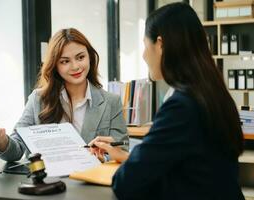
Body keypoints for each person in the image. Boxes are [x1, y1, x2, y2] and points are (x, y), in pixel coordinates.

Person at [89, 3, 245, 200]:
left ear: (160, 44)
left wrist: (136, 160)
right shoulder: (212, 93)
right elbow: (188, 162)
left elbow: (126, 182)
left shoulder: (181, 105)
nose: (144, 55)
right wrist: (130, 155)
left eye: (145, 45)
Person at [0, 28, 128, 162]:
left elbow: (123, 151)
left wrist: (104, 158)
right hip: (48, 186)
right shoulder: (38, 99)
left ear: (90, 57)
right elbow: (17, 150)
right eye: (65, 61)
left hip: (90, 187)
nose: (75, 66)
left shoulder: (111, 102)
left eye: (80, 57)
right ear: (55, 65)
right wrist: (1, 141)